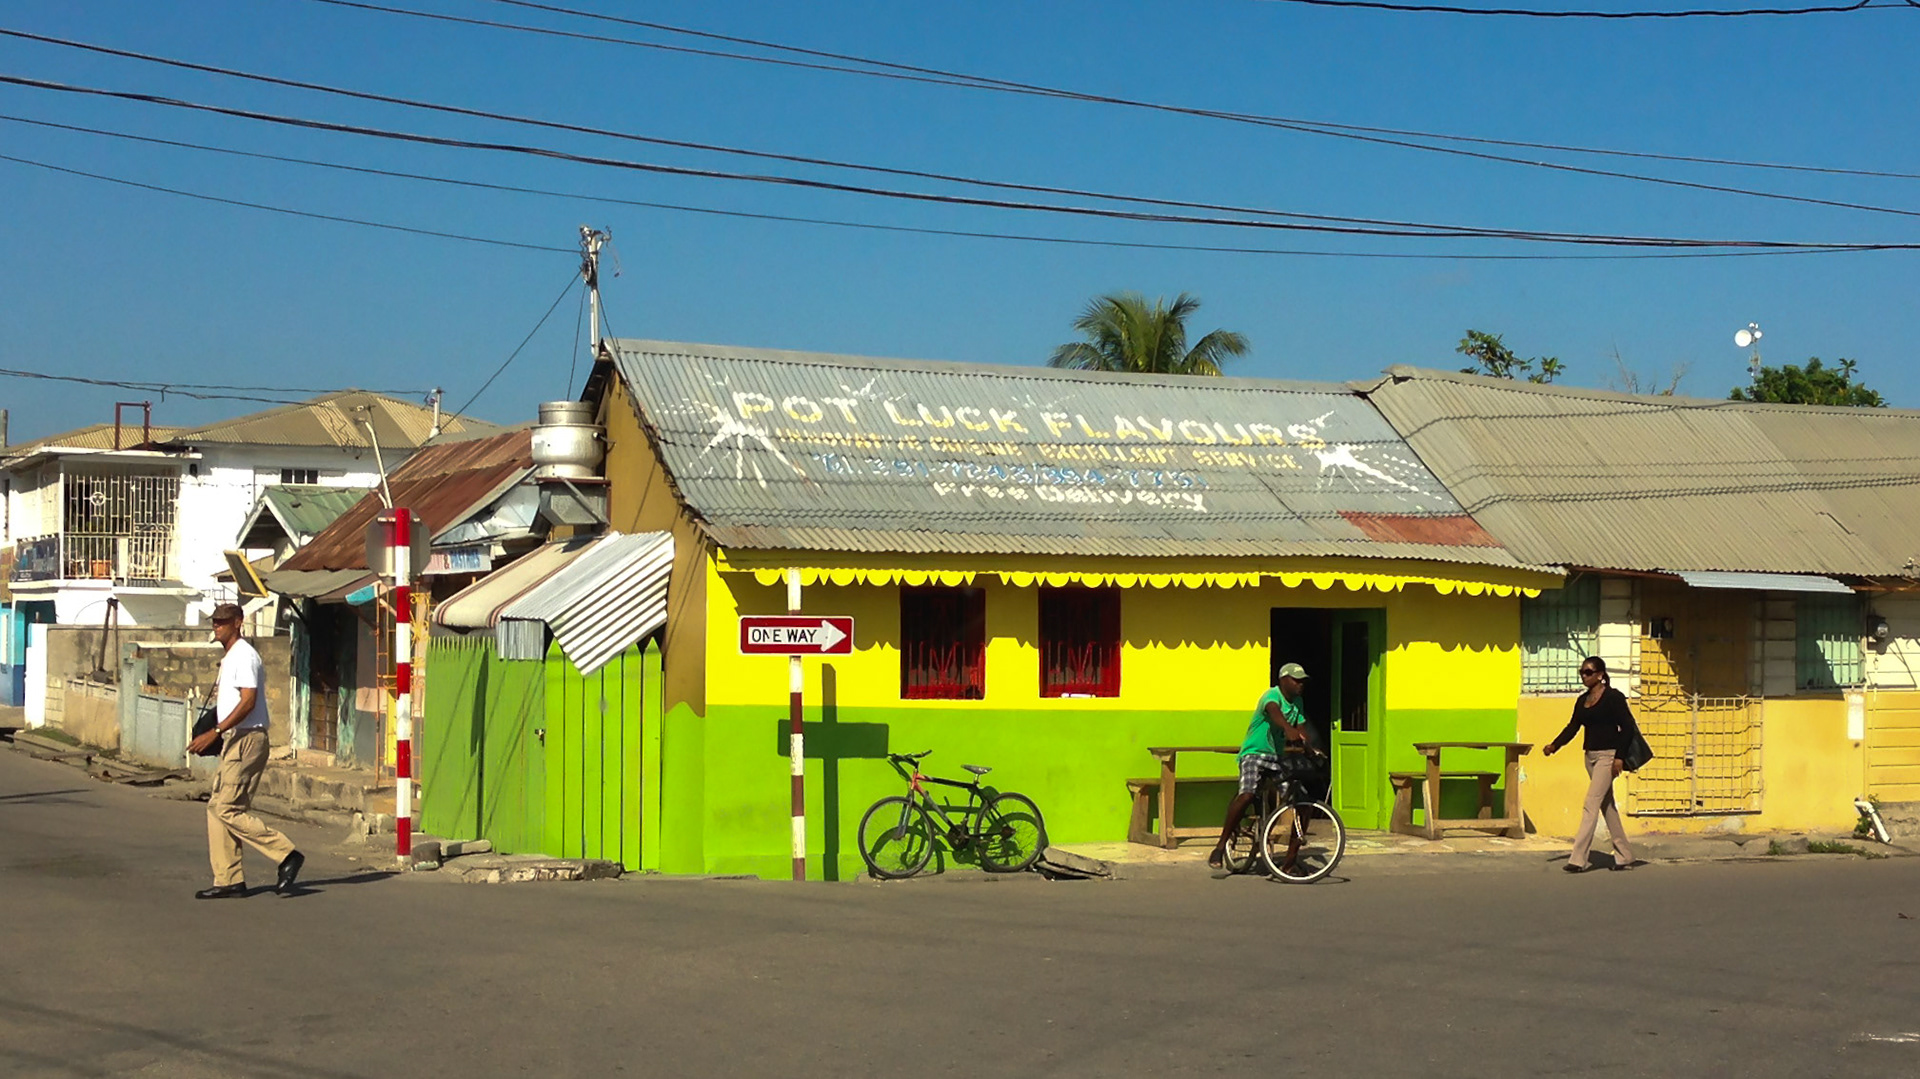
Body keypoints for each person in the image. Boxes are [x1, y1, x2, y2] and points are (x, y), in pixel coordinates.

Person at [187, 603, 304, 898]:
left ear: (237, 622)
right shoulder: (230, 657)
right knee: (216, 807)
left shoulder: (245, 655)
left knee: (228, 807)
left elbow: (248, 701)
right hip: (235, 739)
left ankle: (287, 854)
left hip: (248, 739)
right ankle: (228, 880)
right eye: (214, 622)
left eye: (222, 622)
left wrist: (216, 731)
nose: (217, 626)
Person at [1209, 662, 1316, 871]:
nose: (1300, 685)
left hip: (1277, 758)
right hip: (1254, 754)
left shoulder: (1298, 702)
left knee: (1303, 804)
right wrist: (1287, 728)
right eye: (1296, 680)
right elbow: (1274, 712)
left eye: (1302, 681)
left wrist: (1309, 747)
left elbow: (1301, 728)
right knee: (1248, 794)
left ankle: (1289, 862)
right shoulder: (1271, 695)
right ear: (1283, 680)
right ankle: (1220, 846)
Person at [1543, 655, 1639, 873]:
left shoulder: (1614, 697)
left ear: (1600, 675)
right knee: (1607, 806)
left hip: (1608, 757)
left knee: (1590, 804)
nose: (1584, 676)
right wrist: (1554, 745)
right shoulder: (1583, 700)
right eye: (1582, 672)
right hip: (1590, 757)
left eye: (1588, 672)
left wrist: (1619, 758)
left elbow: (1628, 727)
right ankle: (1625, 856)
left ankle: (1578, 859)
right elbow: (1573, 727)